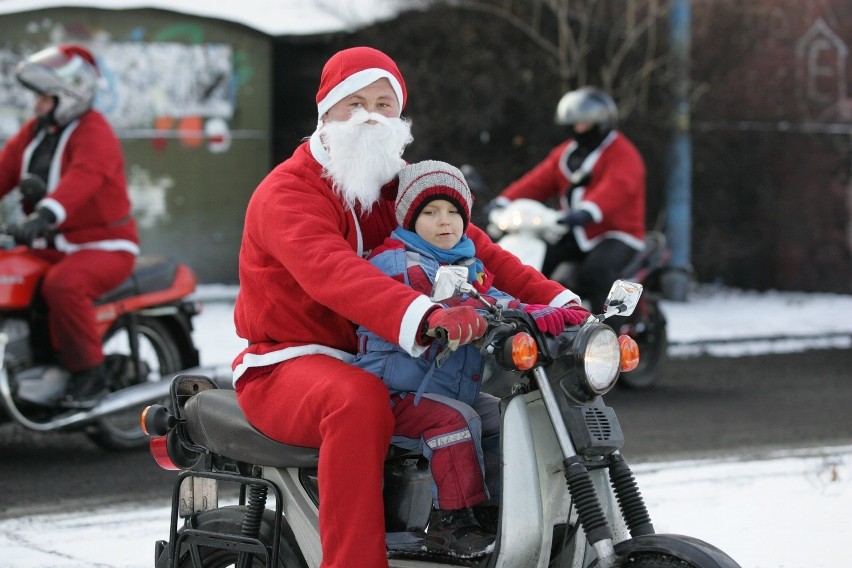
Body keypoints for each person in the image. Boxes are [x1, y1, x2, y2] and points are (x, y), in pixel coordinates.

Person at [231, 46, 583, 568]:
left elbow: (476, 249)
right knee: (358, 400)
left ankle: (485, 531)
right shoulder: (287, 192)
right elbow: (331, 270)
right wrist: (427, 315)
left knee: (497, 404)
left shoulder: (403, 185)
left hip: (394, 359)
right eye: (353, 104)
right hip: (288, 361)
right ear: (325, 112)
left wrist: (562, 303)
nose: (370, 117)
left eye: (384, 104)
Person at [353, 160, 590, 557]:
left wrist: (545, 313)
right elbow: (447, 304)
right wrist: (485, 313)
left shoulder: (465, 263)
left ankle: (496, 511)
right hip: (394, 393)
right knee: (456, 423)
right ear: (410, 219)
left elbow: (492, 300)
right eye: (429, 213)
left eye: (453, 212)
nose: (444, 222)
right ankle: (452, 521)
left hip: (444, 389)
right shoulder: (397, 263)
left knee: (507, 417)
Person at [0, 44, 139, 408]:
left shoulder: (95, 132)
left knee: (63, 285)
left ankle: (88, 373)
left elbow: (84, 178)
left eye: (44, 97)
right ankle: (31, 365)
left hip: (104, 245)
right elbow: (4, 169)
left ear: (69, 95)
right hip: (52, 244)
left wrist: (44, 215)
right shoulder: (37, 131)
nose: (37, 105)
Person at [493, 86, 646, 313]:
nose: (578, 128)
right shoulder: (565, 153)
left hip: (615, 234)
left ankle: (609, 334)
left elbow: (617, 187)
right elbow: (537, 181)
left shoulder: (622, 152)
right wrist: (503, 201)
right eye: (574, 123)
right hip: (574, 231)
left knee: (596, 273)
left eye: (584, 123)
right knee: (535, 266)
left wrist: (588, 211)